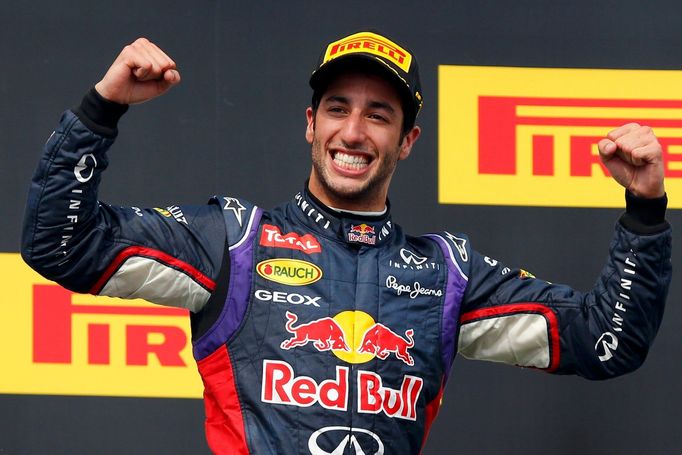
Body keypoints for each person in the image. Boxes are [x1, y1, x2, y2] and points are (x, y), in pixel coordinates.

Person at [21, 31, 671, 455]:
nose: (353, 131)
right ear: (310, 123)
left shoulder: (446, 273)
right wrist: (101, 109)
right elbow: (61, 245)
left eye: (379, 114)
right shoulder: (233, 241)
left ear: (408, 140)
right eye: (337, 108)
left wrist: (645, 211)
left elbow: (603, 341)